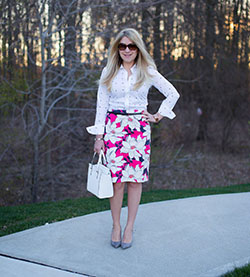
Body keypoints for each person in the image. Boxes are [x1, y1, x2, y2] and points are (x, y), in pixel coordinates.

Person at [86, 28, 180, 249]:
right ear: (117, 49)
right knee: (117, 183)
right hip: (114, 129)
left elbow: (173, 93)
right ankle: (116, 226)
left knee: (135, 182)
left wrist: (157, 115)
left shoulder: (147, 71)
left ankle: (129, 227)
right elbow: (101, 106)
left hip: (138, 129)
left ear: (138, 48)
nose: (127, 50)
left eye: (131, 46)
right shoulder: (108, 72)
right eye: (122, 46)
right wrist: (99, 137)